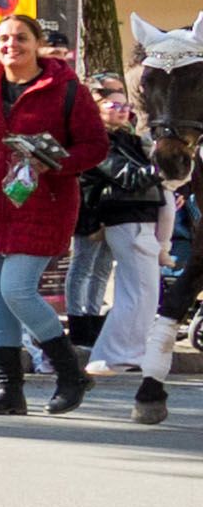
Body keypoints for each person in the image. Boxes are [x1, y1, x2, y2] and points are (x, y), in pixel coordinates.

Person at [0, 14, 98, 414]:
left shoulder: (68, 90)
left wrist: (55, 162)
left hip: (43, 203)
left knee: (17, 289)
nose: (10, 44)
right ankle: (9, 391)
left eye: (20, 38)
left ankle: (70, 374)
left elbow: (94, 146)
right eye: (3, 38)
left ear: (37, 44)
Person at [74, 77, 175, 426]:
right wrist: (163, 168)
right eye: (114, 104)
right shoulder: (100, 142)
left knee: (144, 293)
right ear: (97, 109)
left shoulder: (127, 140)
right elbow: (128, 179)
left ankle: (120, 354)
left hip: (138, 219)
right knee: (138, 292)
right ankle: (110, 356)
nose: (122, 110)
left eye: (124, 104)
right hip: (125, 219)